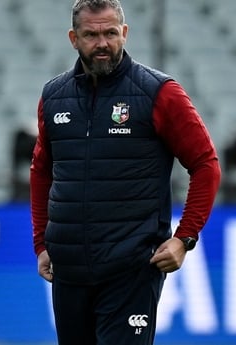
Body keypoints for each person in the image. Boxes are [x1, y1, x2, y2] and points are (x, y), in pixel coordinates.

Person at [30, 1, 221, 344]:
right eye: (91, 34)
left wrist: (184, 238)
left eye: (110, 33)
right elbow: (42, 171)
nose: (102, 43)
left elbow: (206, 164)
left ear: (125, 33)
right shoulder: (53, 96)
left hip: (131, 271)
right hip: (68, 270)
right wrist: (40, 243)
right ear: (74, 38)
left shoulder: (159, 92)